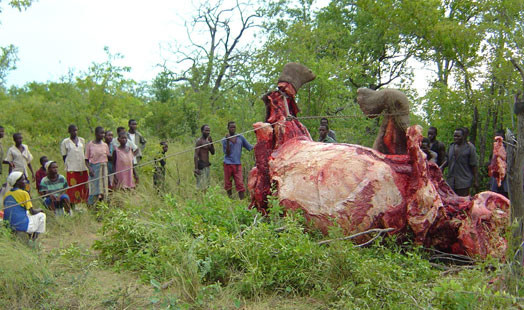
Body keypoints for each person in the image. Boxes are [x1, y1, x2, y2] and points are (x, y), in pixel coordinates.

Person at [3, 171, 46, 240]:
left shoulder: (6, 194)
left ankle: (28, 236)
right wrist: (40, 209)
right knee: (42, 215)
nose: (25, 182)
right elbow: (32, 211)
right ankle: (33, 240)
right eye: (23, 180)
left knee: (26, 213)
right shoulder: (24, 193)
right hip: (21, 225)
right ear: (17, 182)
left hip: (8, 225)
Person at [443, 128, 478, 197]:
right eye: (454, 136)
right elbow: (447, 160)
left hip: (464, 181)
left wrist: (476, 180)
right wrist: (440, 168)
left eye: (458, 136)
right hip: (451, 181)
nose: (455, 138)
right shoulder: (451, 146)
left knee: (462, 203)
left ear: (464, 136)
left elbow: (474, 165)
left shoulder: (469, 148)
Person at [222, 121, 253, 199]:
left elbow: (249, 147)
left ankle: (242, 201)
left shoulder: (240, 137)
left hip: (237, 164)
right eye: (231, 127)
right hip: (228, 164)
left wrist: (259, 145)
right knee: (228, 184)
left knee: (240, 184)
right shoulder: (224, 140)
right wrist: (228, 140)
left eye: (234, 127)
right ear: (228, 128)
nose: (233, 129)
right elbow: (227, 152)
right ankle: (230, 201)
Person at [61, 124, 88, 205]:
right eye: (73, 130)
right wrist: (68, 164)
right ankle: (73, 204)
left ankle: (83, 203)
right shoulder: (65, 142)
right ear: (69, 131)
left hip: (82, 168)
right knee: (73, 187)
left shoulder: (82, 140)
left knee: (83, 186)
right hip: (72, 168)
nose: (75, 132)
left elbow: (84, 153)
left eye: (76, 130)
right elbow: (64, 156)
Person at [85, 127, 110, 206]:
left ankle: (102, 205)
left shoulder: (105, 145)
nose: (102, 135)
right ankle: (91, 205)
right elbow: (86, 159)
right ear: (96, 134)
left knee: (103, 188)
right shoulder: (90, 144)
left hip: (104, 168)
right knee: (94, 189)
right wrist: (90, 169)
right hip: (94, 169)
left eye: (103, 133)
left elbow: (108, 157)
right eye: (101, 133)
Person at [488, 130, 508, 198]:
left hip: (506, 178)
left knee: (505, 195)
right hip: (495, 178)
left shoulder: (509, 149)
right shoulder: (495, 148)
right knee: (495, 195)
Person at [194, 125, 215, 190]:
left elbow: (213, 152)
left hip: (207, 166)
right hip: (201, 166)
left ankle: (205, 199)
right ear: (202, 131)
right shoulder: (199, 141)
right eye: (206, 130)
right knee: (200, 187)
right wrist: (196, 168)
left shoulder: (208, 141)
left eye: (209, 130)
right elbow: (196, 155)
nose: (208, 132)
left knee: (206, 186)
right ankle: (198, 199)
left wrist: (211, 143)